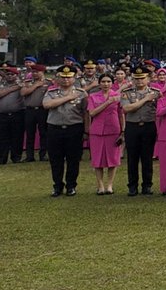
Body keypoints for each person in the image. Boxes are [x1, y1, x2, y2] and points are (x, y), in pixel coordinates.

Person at [41, 65, 86, 196]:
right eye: (63, 77)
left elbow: (85, 112)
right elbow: (46, 105)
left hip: (74, 128)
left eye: (69, 77)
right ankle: (57, 186)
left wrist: (86, 131)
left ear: (74, 78)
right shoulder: (51, 92)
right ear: (58, 78)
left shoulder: (81, 93)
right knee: (56, 159)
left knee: (73, 159)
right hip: (55, 128)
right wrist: (68, 98)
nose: (66, 80)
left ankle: (71, 185)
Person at [120, 67, 159, 195]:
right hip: (132, 126)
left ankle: (147, 185)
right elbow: (126, 108)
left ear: (148, 79)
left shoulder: (156, 93)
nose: (139, 81)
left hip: (149, 126)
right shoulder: (127, 93)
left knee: (147, 157)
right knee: (132, 158)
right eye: (136, 79)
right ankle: (132, 186)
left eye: (142, 78)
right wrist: (145, 99)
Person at [85, 74, 124, 195]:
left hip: (113, 130)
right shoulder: (93, 96)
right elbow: (92, 113)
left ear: (112, 83)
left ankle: (110, 185)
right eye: (103, 81)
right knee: (97, 159)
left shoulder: (118, 96)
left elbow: (121, 114)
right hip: (97, 131)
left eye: (108, 81)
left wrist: (123, 131)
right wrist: (107, 102)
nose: (106, 84)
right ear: (99, 83)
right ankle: (100, 185)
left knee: (113, 159)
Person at [0, 67, 24, 166]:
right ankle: (1, 159)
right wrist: (11, 89)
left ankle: (16, 158)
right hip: (1, 115)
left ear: (16, 75)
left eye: (12, 74)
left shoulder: (21, 85)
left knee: (17, 137)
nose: (10, 76)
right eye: (8, 74)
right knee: (1, 138)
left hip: (17, 114)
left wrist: (17, 87)